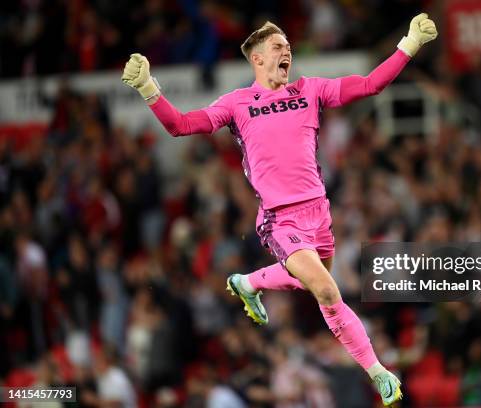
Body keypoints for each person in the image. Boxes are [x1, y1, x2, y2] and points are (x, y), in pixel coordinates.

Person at [121, 14, 437, 406]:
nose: (286, 50)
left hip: (319, 213)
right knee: (325, 288)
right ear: (257, 59)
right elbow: (182, 125)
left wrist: (409, 43)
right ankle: (378, 371)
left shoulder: (310, 90)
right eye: (277, 46)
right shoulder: (237, 103)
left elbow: (371, 84)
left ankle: (249, 283)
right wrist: (148, 87)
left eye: (287, 45)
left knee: (312, 283)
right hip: (280, 217)